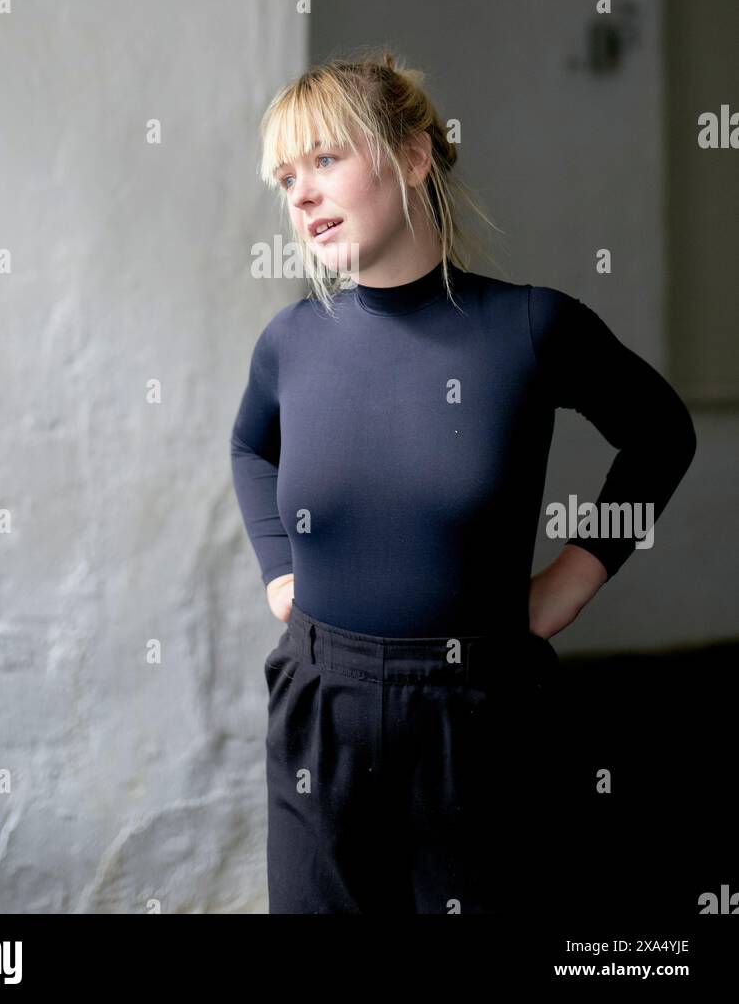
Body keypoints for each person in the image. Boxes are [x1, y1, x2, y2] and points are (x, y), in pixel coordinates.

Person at [229, 51, 697, 915]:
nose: (299, 195)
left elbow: (661, 433)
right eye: (285, 177)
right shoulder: (290, 342)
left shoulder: (529, 326)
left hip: (479, 716)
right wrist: (278, 568)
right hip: (317, 707)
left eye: (325, 160)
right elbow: (250, 449)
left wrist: (577, 575)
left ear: (412, 156)